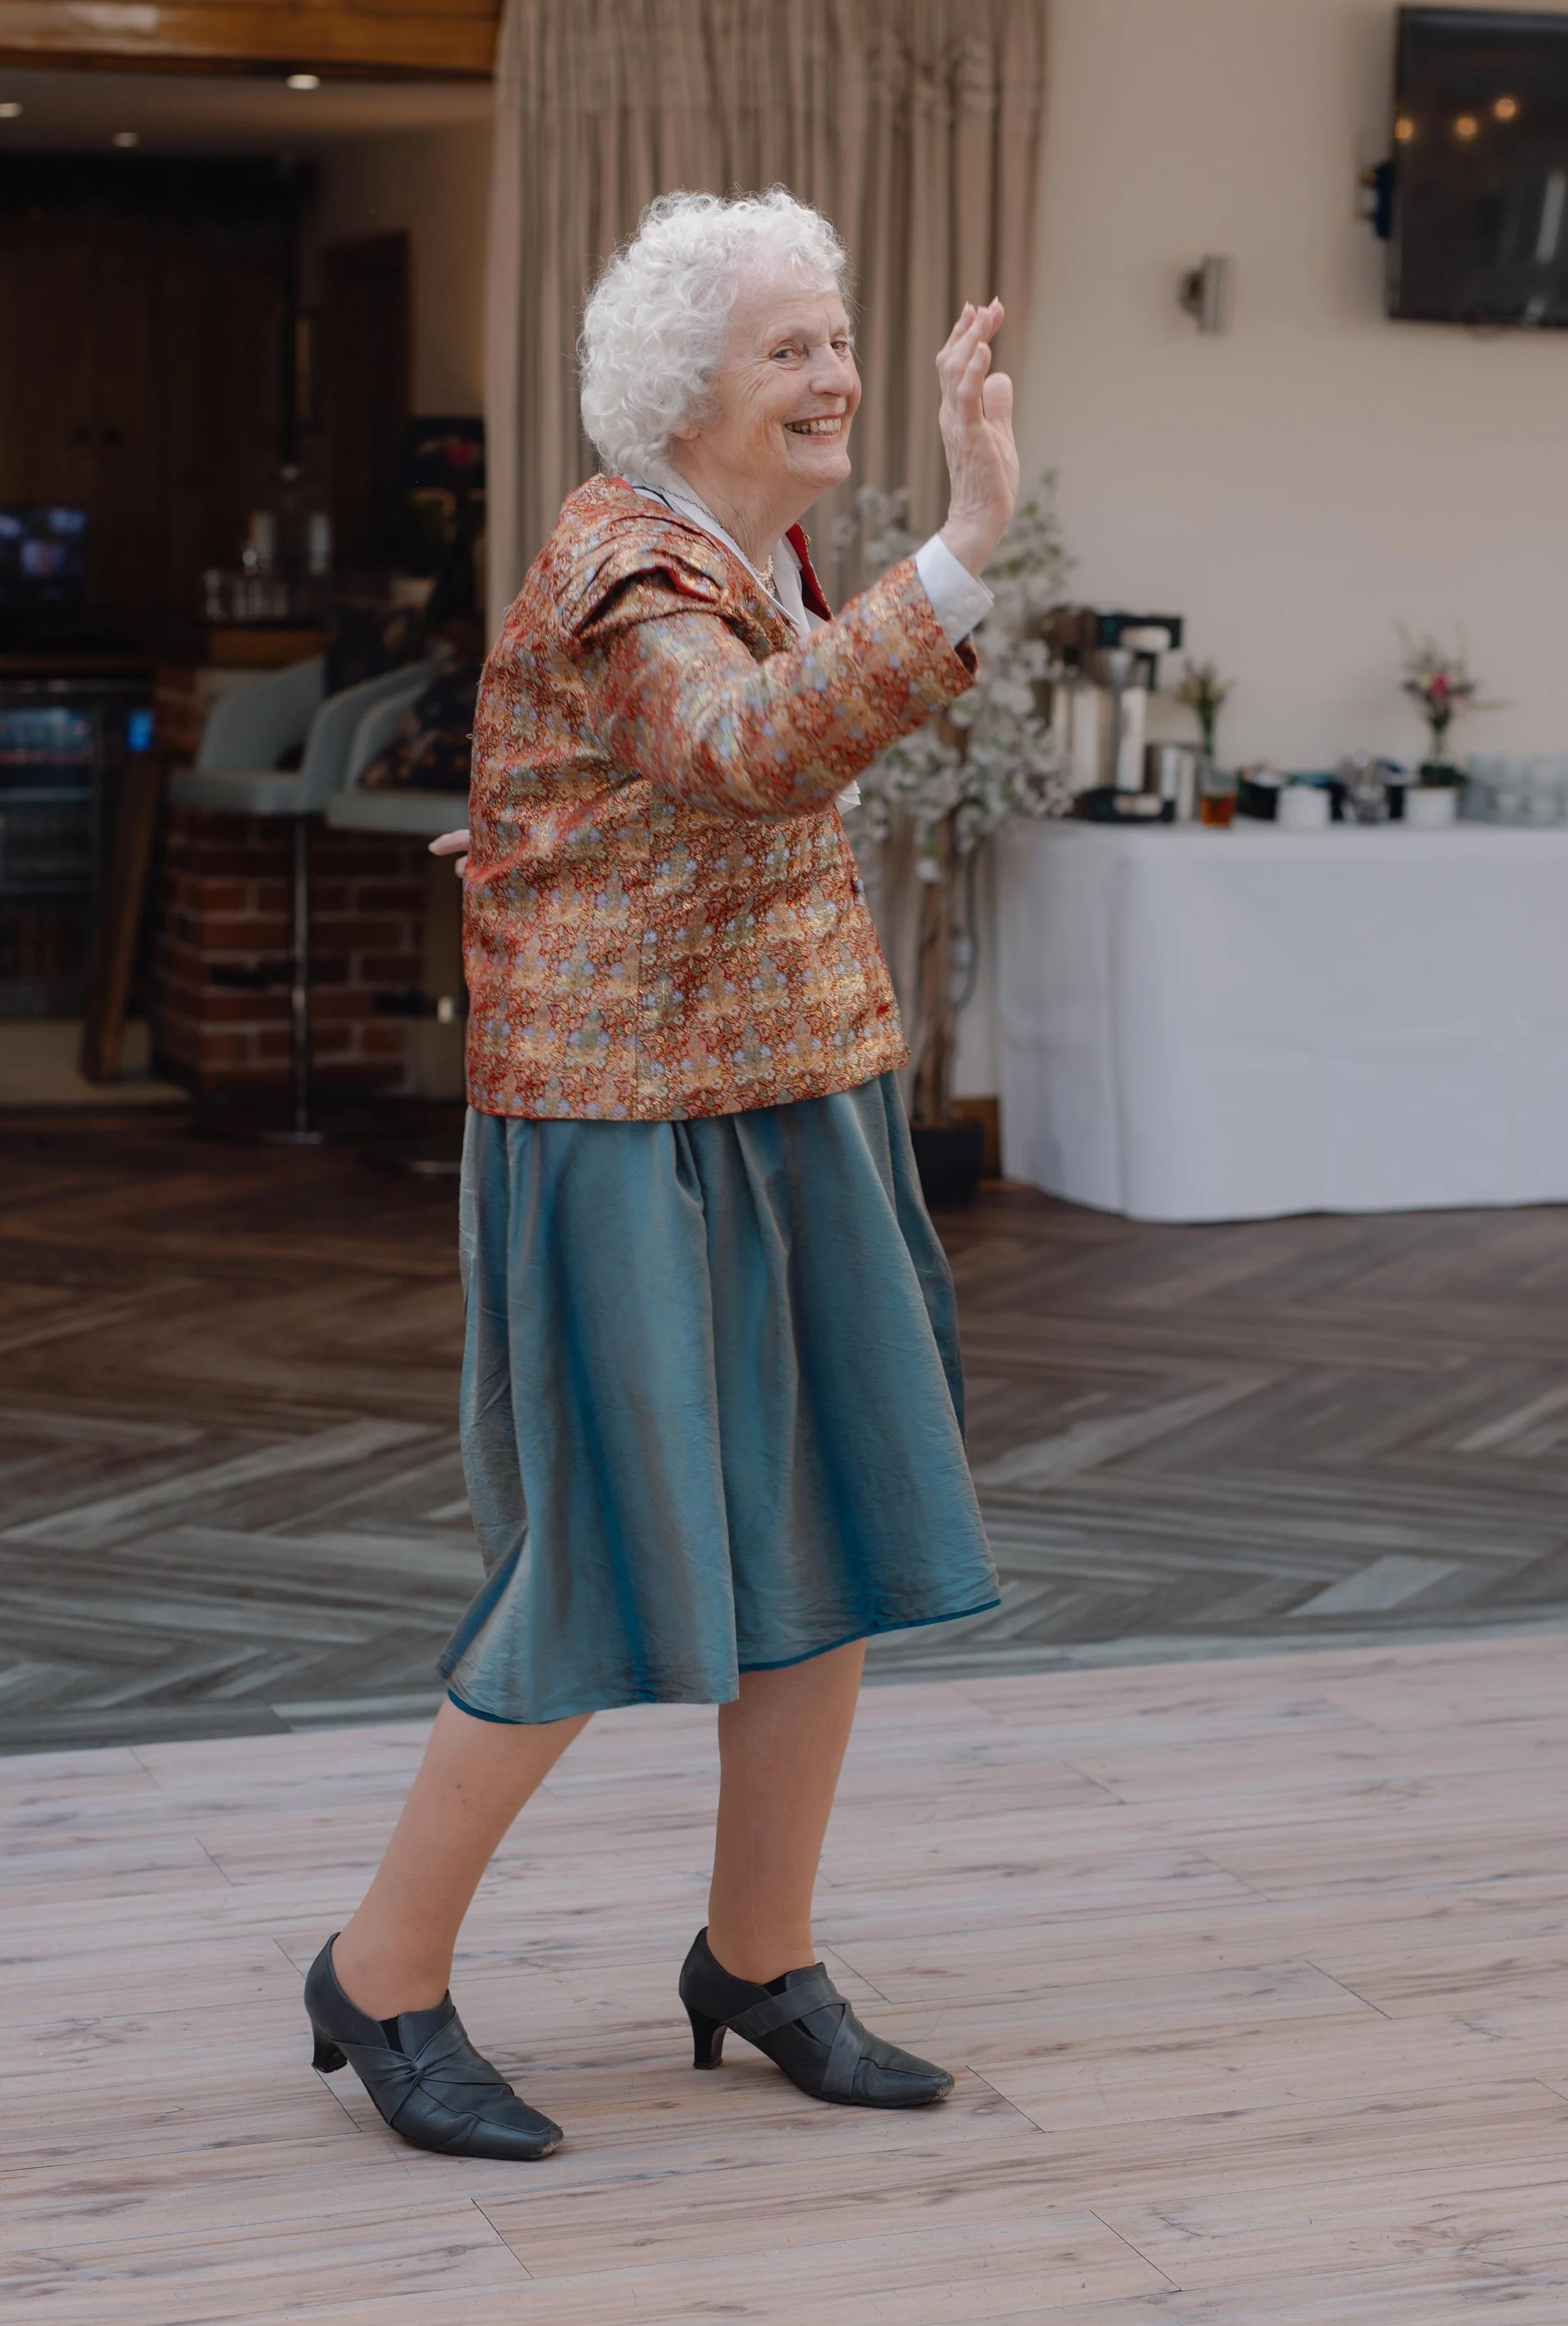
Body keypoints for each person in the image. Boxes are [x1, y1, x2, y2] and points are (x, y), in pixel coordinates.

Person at [303, 188, 1019, 2161]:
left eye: (838, 331)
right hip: (628, 1125)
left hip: (794, 1092)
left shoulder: (750, 547)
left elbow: (645, 784)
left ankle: (755, 1951)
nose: (836, 372)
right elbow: (731, 750)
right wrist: (963, 548)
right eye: (789, 343)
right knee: (604, 1557)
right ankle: (377, 1972)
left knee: (828, 1527)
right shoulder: (628, 557)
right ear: (679, 385)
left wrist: (539, 838)